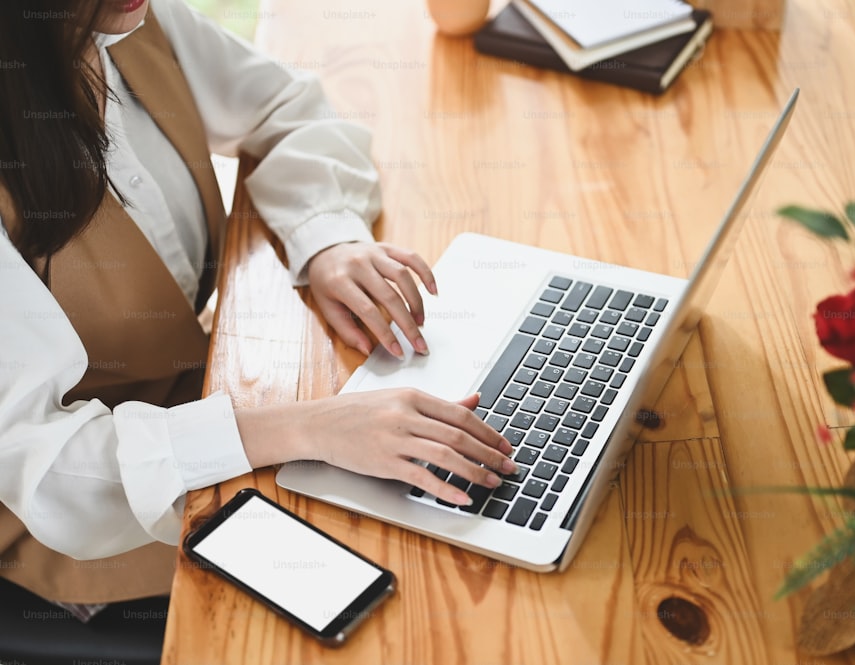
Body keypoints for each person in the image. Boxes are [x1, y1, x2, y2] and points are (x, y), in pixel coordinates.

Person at [0, 0, 514, 610]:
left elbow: (285, 104)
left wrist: (324, 235)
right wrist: (308, 427)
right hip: (96, 518)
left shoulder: (128, 19)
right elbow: (48, 469)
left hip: (210, 402)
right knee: (423, 592)